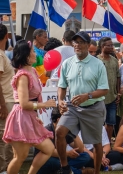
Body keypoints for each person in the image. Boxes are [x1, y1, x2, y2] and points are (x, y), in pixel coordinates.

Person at [56, 31, 109, 174]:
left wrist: (88, 95)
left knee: (97, 143)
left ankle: (97, 172)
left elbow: (104, 90)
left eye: (80, 42)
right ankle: (65, 167)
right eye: (75, 42)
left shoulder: (98, 64)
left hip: (94, 108)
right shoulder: (67, 63)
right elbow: (62, 86)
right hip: (73, 107)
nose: (77, 45)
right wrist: (60, 100)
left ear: (87, 44)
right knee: (59, 132)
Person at [2, 40, 57, 174]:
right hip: (20, 118)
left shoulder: (31, 70)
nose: (35, 54)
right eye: (33, 51)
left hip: (29, 117)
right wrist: (45, 104)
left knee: (48, 149)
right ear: (26, 56)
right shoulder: (23, 76)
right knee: (20, 156)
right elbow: (24, 103)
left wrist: (35, 115)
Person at [37, 108, 92, 174]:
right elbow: (50, 151)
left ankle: (61, 171)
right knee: (56, 163)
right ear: (59, 120)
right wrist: (67, 153)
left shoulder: (65, 131)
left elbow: (80, 149)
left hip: (61, 159)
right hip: (47, 160)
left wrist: (73, 131)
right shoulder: (47, 130)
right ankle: (80, 172)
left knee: (85, 156)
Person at [98, 37, 121, 141]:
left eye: (112, 45)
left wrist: (118, 93)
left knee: (111, 122)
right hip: (99, 98)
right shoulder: (96, 60)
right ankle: (99, 144)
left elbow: (118, 77)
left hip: (112, 97)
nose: (112, 47)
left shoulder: (115, 61)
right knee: (99, 123)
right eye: (109, 45)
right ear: (102, 47)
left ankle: (107, 143)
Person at [0, 24, 14, 172]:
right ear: (6, 37)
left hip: (7, 100)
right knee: (5, 138)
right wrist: (3, 105)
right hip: (5, 101)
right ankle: (4, 169)